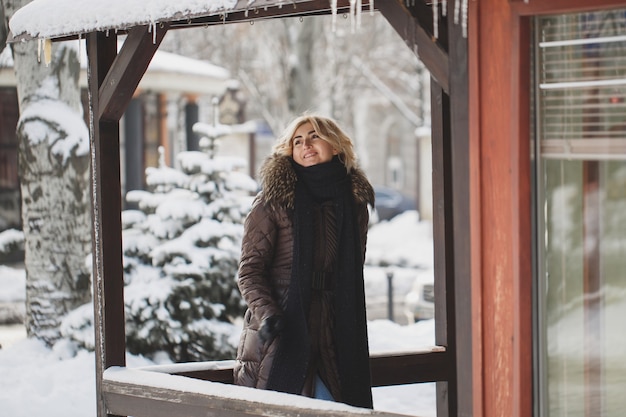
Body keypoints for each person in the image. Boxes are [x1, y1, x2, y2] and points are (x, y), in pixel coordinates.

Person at [233, 114, 375, 408]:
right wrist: (268, 314)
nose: (305, 145)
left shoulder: (354, 203)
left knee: (340, 407)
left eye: (314, 136)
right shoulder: (273, 200)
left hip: (335, 331)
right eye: (297, 141)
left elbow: (352, 270)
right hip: (284, 326)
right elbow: (250, 271)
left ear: (335, 146)